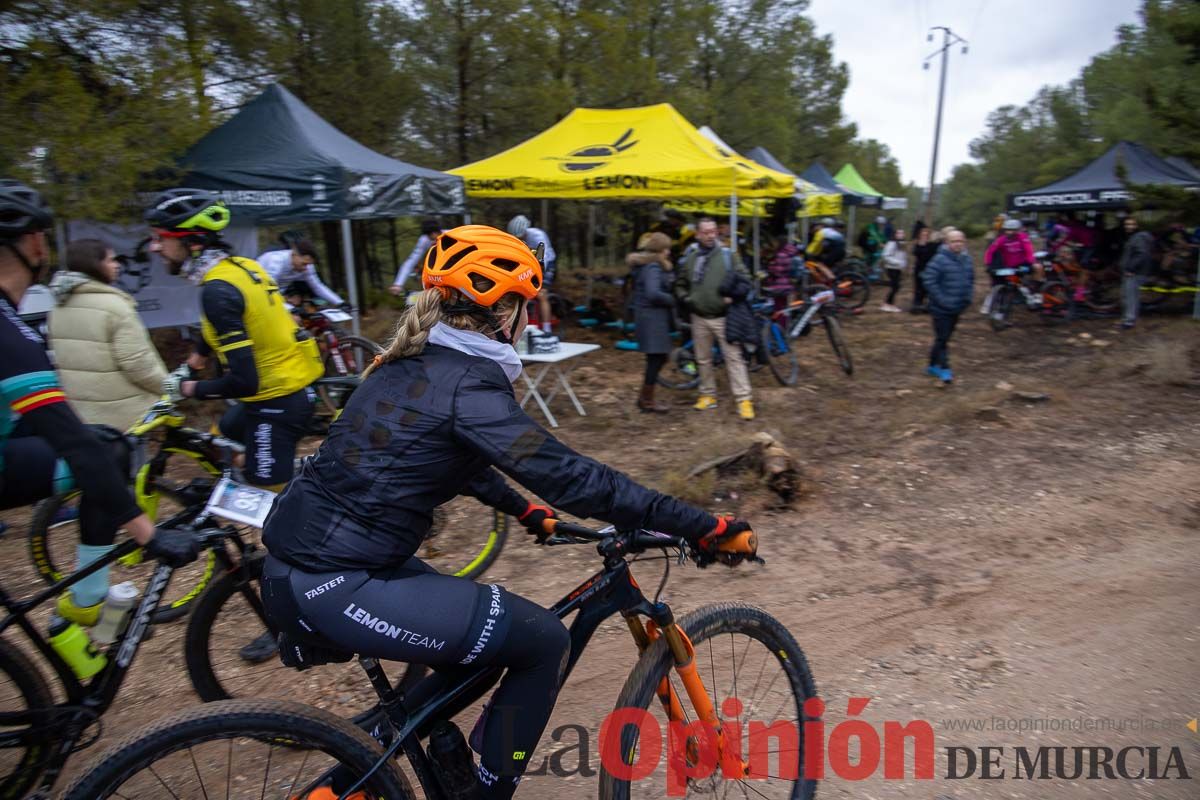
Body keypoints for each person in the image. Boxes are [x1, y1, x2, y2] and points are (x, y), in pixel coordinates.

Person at [258, 224, 756, 800]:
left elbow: (454, 460)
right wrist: (708, 526)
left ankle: (351, 775)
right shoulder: (468, 386)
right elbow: (574, 479)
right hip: (340, 579)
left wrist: (526, 511)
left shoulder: (410, 364)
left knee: (487, 649)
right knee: (543, 641)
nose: (531, 320)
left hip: (302, 567)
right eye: (529, 305)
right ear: (506, 310)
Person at [0, 180, 195, 624]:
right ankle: (87, 603)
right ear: (33, 241)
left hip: (35, 425)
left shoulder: (46, 309)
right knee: (105, 450)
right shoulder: (9, 331)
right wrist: (150, 536)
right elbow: (72, 439)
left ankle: (87, 604)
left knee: (101, 444)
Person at [145, 188, 323, 491]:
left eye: (161, 238)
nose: (153, 247)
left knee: (274, 505)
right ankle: (265, 473)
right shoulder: (241, 267)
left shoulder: (217, 290)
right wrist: (194, 363)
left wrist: (188, 388)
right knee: (220, 440)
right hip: (279, 390)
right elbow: (225, 326)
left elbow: (244, 382)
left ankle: (302, 497)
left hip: (277, 400)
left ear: (192, 242)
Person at [48, 239, 168, 431]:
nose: (117, 265)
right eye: (111, 260)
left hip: (81, 413)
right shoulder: (115, 307)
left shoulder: (57, 307)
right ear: (95, 265)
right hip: (124, 416)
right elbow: (138, 364)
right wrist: (170, 388)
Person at [673, 218, 755, 420]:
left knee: (734, 358)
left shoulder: (728, 255)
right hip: (699, 316)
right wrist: (686, 298)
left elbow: (745, 278)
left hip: (724, 317)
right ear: (698, 234)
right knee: (703, 359)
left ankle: (744, 400)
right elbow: (680, 283)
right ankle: (708, 395)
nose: (711, 235)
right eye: (706, 232)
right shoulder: (691, 258)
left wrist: (734, 295)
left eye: (713, 232)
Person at [629, 232, 675, 412]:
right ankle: (646, 400)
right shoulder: (653, 267)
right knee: (656, 358)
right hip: (652, 318)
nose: (669, 252)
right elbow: (653, 293)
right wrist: (672, 299)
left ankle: (645, 398)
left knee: (657, 358)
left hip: (648, 316)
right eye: (667, 248)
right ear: (660, 250)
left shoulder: (646, 265)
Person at [921, 229, 974, 385]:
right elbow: (929, 280)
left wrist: (967, 298)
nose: (957, 244)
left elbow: (970, 280)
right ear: (947, 243)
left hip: (958, 306)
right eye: (954, 241)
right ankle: (945, 368)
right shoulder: (939, 259)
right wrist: (941, 299)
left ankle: (931, 365)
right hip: (940, 308)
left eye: (960, 241)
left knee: (943, 338)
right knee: (943, 338)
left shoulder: (967, 259)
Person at [506, 215, 557, 333]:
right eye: (516, 237)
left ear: (525, 231)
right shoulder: (514, 238)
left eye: (521, 236)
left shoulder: (537, 236)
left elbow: (544, 257)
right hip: (528, 264)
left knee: (541, 294)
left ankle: (547, 329)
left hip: (546, 264)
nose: (520, 239)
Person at [256, 239, 344, 307]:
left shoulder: (307, 265)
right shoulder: (276, 261)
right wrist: (288, 307)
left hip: (276, 296)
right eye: (304, 264)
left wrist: (339, 302)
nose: (306, 269)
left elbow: (318, 286)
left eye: (308, 264)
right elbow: (268, 290)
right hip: (258, 292)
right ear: (294, 254)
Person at [981, 218, 1035, 313]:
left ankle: (1029, 298)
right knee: (1003, 282)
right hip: (1009, 266)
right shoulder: (1001, 239)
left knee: (1019, 282)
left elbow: (1029, 250)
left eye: (1012, 230)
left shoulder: (1023, 237)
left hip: (1022, 264)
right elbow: (990, 251)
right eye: (1007, 230)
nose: (1009, 232)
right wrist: (988, 264)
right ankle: (995, 304)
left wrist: (1029, 262)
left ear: (1017, 230)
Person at [1118, 215, 1156, 331]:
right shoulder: (1134, 237)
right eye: (1127, 224)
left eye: (1131, 224)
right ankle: (1128, 319)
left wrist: (1131, 269)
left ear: (1137, 225)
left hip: (1135, 273)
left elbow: (1141, 254)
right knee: (1128, 296)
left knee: (1131, 297)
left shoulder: (1139, 237)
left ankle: (1129, 322)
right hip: (1133, 272)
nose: (1128, 226)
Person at [391, 218, 442, 296]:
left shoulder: (451, 234)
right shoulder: (424, 240)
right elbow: (411, 262)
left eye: (432, 234)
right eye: (428, 235)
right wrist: (398, 284)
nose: (431, 237)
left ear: (438, 231)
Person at [765, 233, 800, 312]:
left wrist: (770, 268)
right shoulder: (790, 253)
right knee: (787, 309)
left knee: (779, 309)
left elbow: (778, 271)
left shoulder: (781, 254)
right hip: (789, 285)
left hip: (780, 285)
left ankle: (781, 324)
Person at [910, 225, 939, 313]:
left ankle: (928, 305)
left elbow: (936, 249)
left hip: (930, 268)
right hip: (920, 269)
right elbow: (916, 253)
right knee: (919, 288)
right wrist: (921, 245)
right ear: (920, 234)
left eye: (926, 232)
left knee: (929, 287)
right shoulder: (918, 244)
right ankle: (917, 305)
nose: (925, 234)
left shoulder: (932, 244)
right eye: (923, 232)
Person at [880, 229, 907, 312]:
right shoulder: (891, 243)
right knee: (895, 286)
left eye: (902, 233)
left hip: (898, 269)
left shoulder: (902, 244)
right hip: (891, 268)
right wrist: (897, 262)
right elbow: (885, 255)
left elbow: (902, 256)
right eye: (899, 233)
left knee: (895, 287)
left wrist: (903, 263)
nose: (901, 234)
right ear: (895, 234)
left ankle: (890, 304)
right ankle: (887, 304)